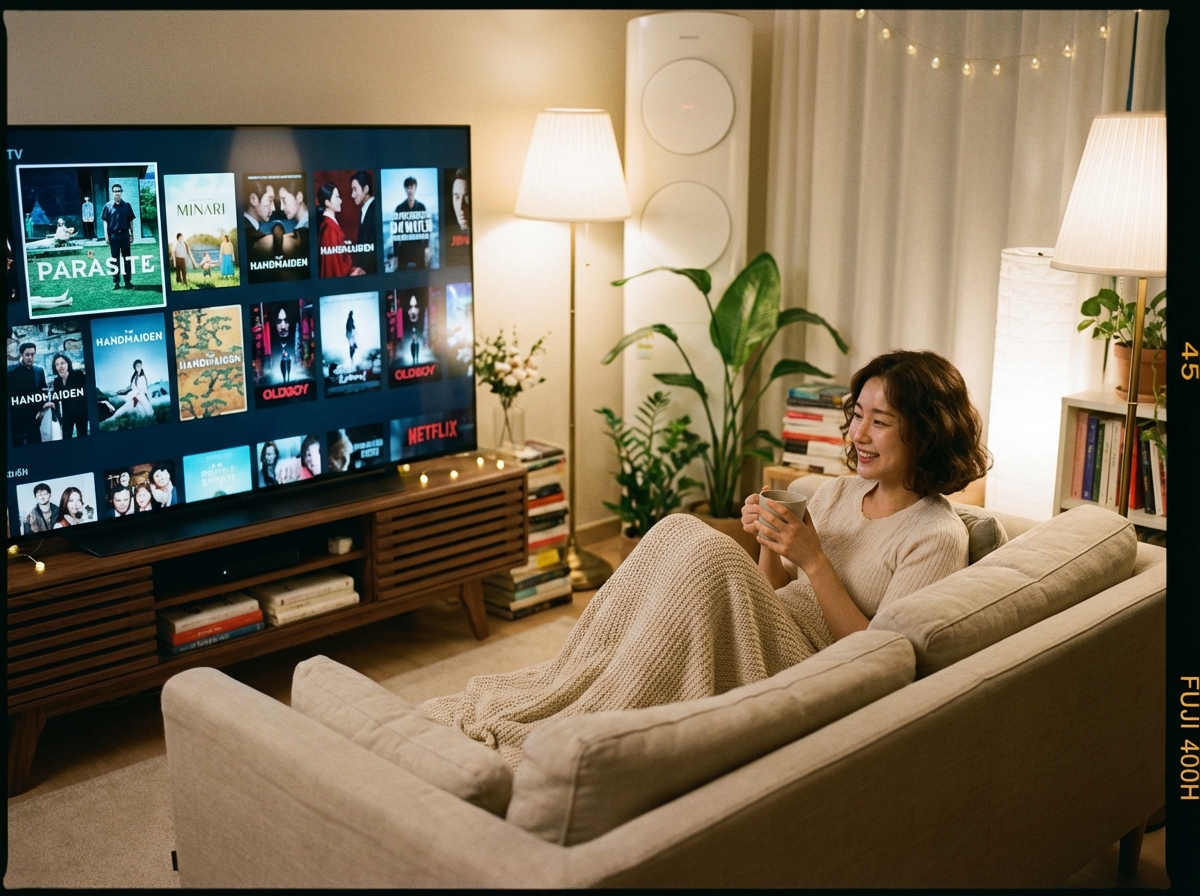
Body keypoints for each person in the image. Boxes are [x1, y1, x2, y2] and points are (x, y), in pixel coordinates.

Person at [420, 350, 990, 768]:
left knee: (709, 553)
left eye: (880, 422)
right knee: (677, 529)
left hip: (812, 666)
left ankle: (597, 720)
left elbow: (883, 660)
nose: (859, 434)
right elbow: (772, 592)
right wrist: (771, 543)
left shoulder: (933, 536)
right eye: (857, 414)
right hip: (769, 629)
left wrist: (815, 561)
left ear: (926, 434)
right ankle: (577, 684)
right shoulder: (837, 492)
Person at [9, 341, 52, 445]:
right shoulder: (11, 372)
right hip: (18, 417)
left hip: (35, 416)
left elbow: (43, 391)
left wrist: (42, 408)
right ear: (22, 355)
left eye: (32, 354)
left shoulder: (39, 371)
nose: (30, 357)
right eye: (27, 355)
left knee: (36, 442)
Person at [317, 183, 359, 278]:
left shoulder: (329, 225)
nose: (340, 201)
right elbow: (335, 268)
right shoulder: (330, 229)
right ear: (327, 203)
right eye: (337, 197)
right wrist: (353, 272)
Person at [101, 183, 137, 289]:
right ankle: (116, 282)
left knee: (127, 259)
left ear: (121, 192)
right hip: (114, 236)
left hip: (125, 236)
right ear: (112, 193)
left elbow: (130, 221)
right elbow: (105, 222)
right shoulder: (107, 206)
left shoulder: (127, 205)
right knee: (114, 260)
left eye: (118, 191)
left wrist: (131, 234)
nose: (117, 193)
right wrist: (106, 236)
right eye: (115, 191)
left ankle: (127, 282)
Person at [393, 175, 430, 270]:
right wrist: (395, 254)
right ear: (405, 189)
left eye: (412, 187)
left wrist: (426, 247)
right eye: (408, 187)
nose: (410, 190)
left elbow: (426, 230)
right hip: (404, 249)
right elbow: (395, 234)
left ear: (415, 188)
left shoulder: (421, 207)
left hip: (418, 249)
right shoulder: (399, 208)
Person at [50, 352, 88, 438]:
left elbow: (86, 394)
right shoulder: (57, 381)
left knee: (83, 437)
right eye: (57, 364)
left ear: (68, 363)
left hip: (81, 413)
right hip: (67, 415)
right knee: (66, 437)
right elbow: (57, 399)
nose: (60, 366)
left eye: (62, 363)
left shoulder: (78, 375)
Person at [349, 170, 378, 274]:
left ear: (366, 189)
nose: (352, 195)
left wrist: (368, 271)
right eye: (352, 190)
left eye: (355, 190)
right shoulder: (365, 209)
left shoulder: (375, 210)